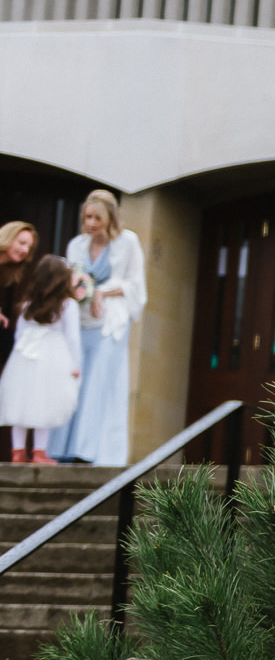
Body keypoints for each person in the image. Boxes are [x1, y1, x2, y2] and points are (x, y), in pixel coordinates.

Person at [58, 191, 146, 467]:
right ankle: (66, 448)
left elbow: (135, 284)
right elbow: (71, 282)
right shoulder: (76, 245)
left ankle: (94, 451)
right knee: (76, 380)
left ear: (110, 217)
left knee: (101, 383)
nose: (92, 222)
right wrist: (81, 291)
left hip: (112, 323)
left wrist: (101, 293)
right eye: (87, 217)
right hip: (80, 322)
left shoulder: (128, 241)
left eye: (98, 217)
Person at [0, 257, 81, 463]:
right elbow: (72, 338)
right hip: (53, 356)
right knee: (45, 401)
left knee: (20, 401)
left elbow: (19, 334)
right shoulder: (67, 305)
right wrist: (75, 364)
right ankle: (39, 452)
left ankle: (17, 452)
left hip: (24, 355)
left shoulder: (27, 305)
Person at [0, 221, 34, 384]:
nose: (25, 250)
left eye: (28, 247)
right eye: (21, 243)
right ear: (8, 238)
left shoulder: (5, 270)